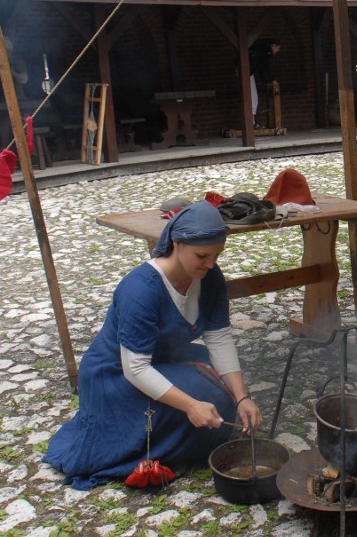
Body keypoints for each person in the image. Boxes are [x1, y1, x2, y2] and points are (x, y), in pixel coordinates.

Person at [44, 201, 262, 489]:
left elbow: (218, 337)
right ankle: (137, 445)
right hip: (116, 374)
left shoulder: (210, 277)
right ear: (176, 243)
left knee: (221, 399)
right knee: (196, 404)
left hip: (164, 359)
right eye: (202, 255)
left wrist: (242, 397)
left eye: (217, 255)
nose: (211, 264)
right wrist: (191, 405)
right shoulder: (140, 289)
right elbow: (135, 368)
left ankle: (179, 433)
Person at [248, 39, 280, 130]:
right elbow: (266, 67)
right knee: (253, 97)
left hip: (248, 71)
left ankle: (252, 122)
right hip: (247, 71)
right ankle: (252, 123)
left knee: (252, 97)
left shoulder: (262, 49)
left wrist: (265, 82)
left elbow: (261, 68)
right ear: (274, 45)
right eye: (277, 48)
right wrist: (272, 79)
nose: (277, 51)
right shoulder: (264, 51)